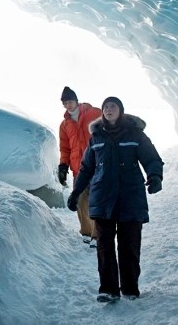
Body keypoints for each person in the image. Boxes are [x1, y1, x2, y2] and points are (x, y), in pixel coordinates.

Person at [67, 96, 164, 303]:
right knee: (104, 246)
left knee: (129, 245)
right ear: (102, 112)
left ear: (120, 110)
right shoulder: (96, 138)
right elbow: (86, 168)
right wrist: (76, 193)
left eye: (113, 106)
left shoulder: (135, 134)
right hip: (102, 198)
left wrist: (155, 176)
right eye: (106, 107)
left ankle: (130, 288)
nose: (109, 110)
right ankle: (109, 289)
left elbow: (151, 158)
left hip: (130, 197)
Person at [58, 86, 102, 247]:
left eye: (70, 101)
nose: (68, 105)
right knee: (81, 200)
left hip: (98, 164)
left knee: (96, 198)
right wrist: (63, 165)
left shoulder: (95, 113)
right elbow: (65, 148)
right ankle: (86, 231)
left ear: (76, 100)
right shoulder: (64, 125)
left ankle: (98, 234)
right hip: (78, 167)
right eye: (65, 103)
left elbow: (111, 125)